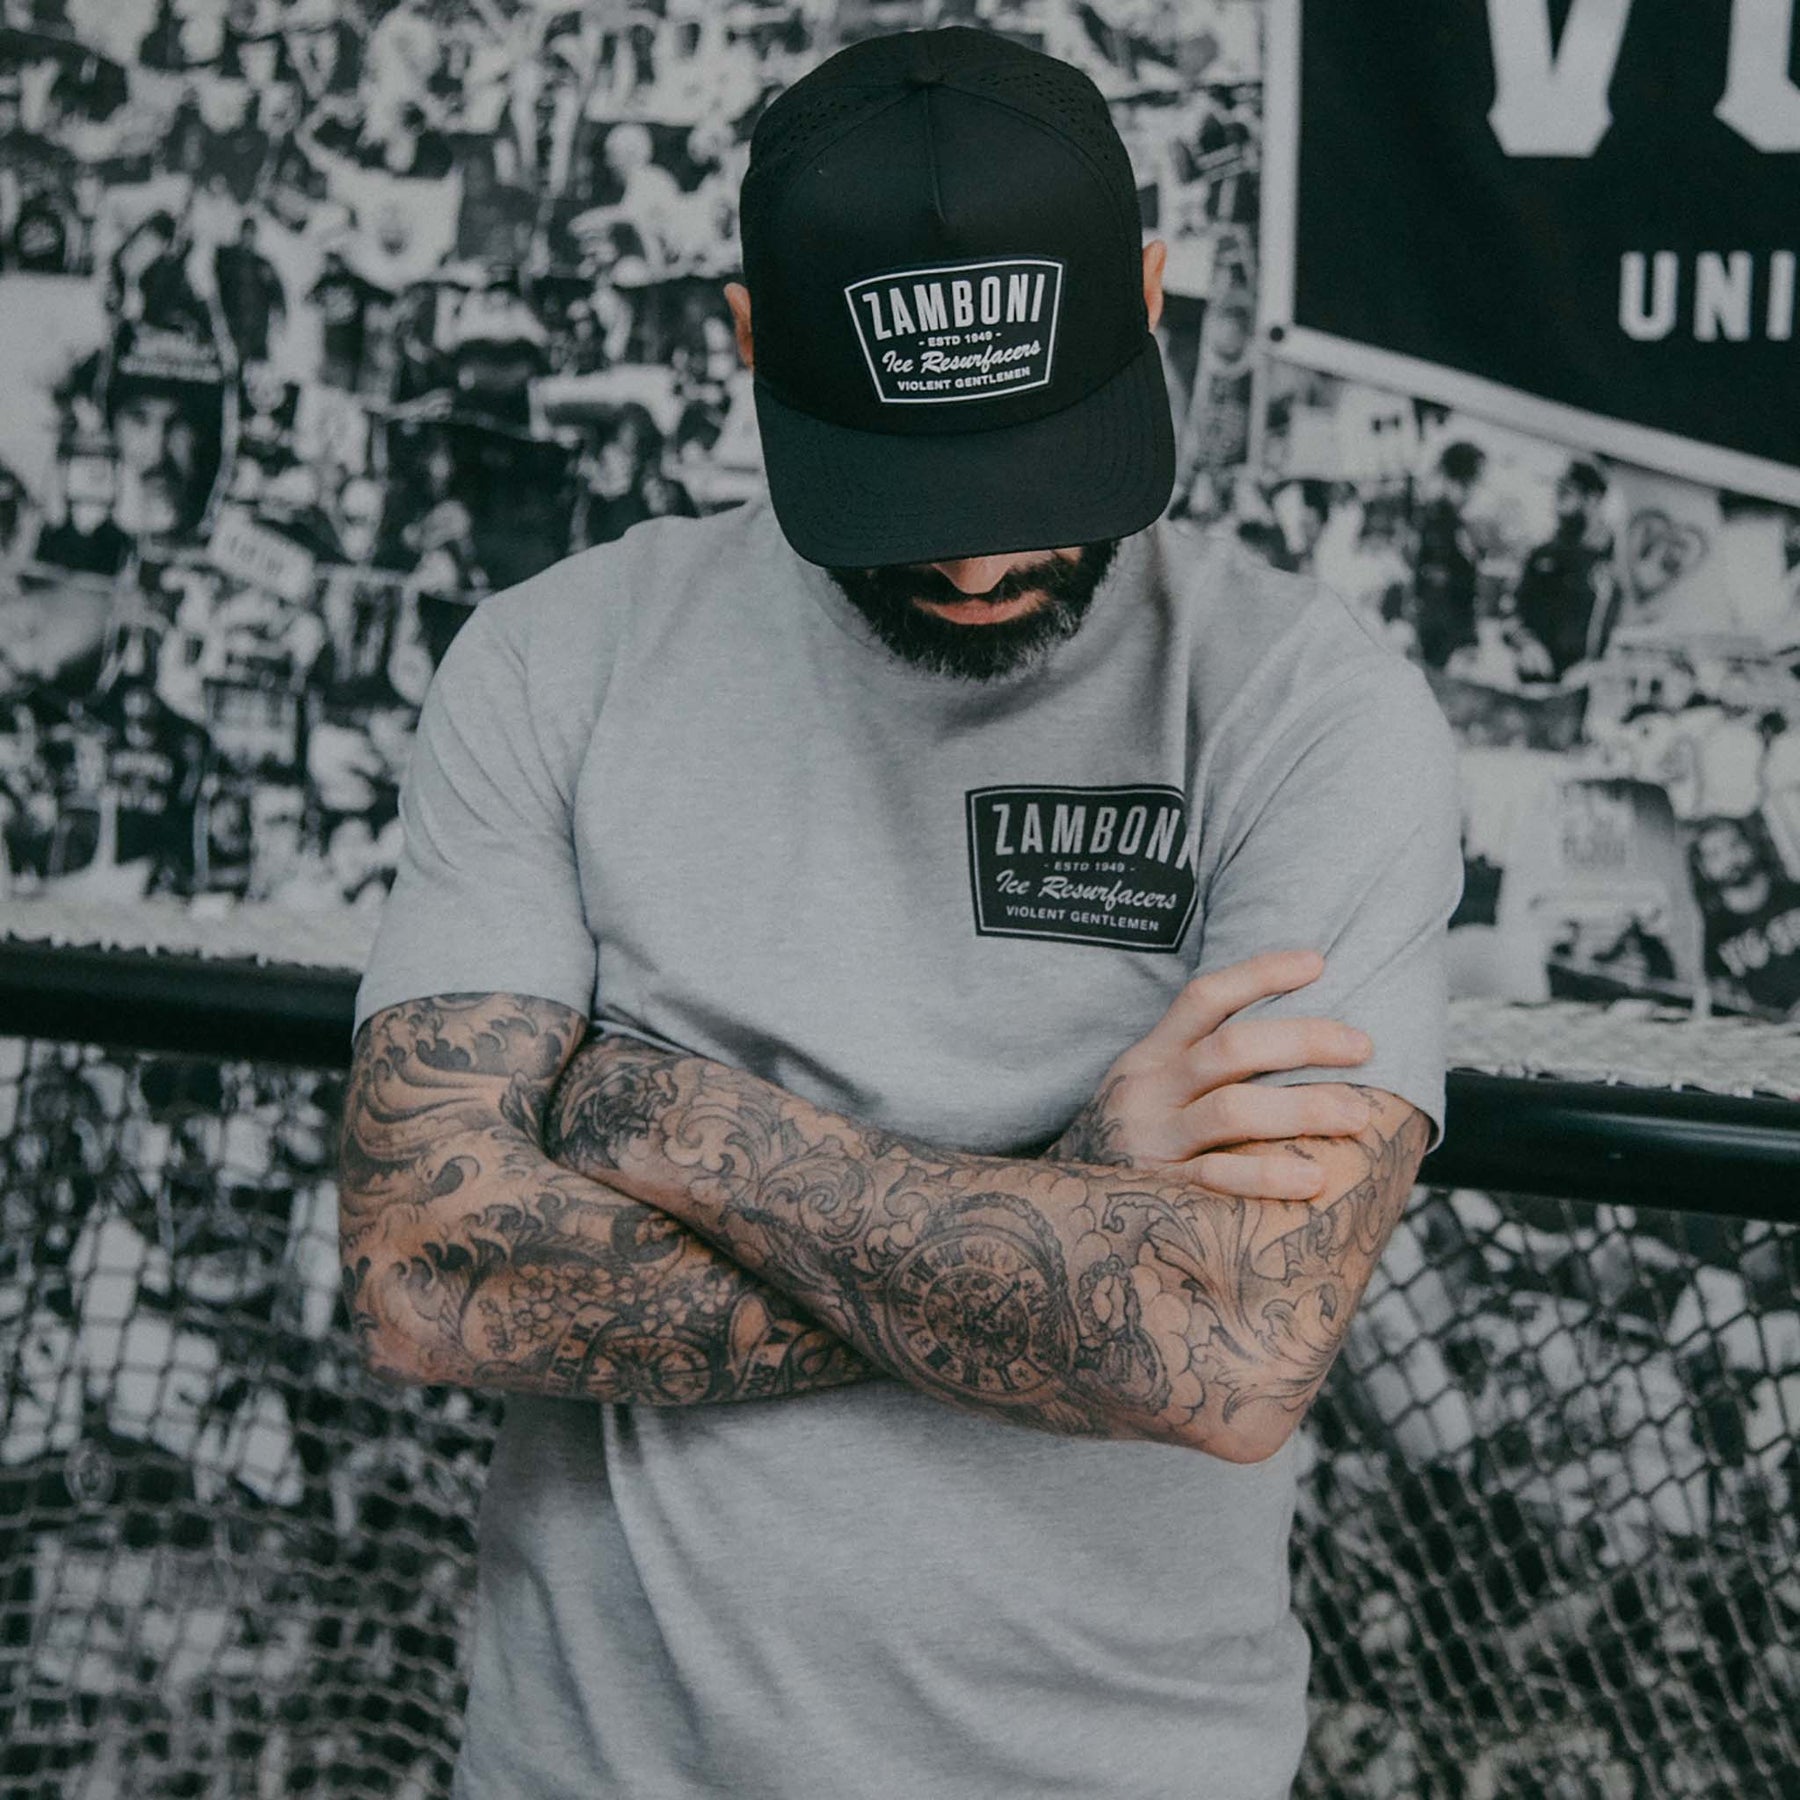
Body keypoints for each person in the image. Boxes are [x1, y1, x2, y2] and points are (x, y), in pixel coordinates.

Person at [339, 28, 1462, 1800]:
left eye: (1033, 472)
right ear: (750, 339)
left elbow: (1228, 1350)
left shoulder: (1306, 713)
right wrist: (1074, 1209)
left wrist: (672, 1124)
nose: (980, 563)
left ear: (1148, 301)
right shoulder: (556, 660)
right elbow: (432, 1276)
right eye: (913, 491)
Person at [1512, 456, 1621, 681]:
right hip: (1536, 676)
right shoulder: (1542, 554)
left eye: (1566, 493)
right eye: (1558, 492)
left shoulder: (1614, 561)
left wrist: (1597, 667)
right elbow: (1512, 611)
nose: (1557, 504)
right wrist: (1526, 643)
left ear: (1592, 500)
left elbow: (1621, 631)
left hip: (1587, 682)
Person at [1412, 439, 1485, 669]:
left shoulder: (1456, 524)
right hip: (1439, 642)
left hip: (1449, 640)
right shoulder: (1436, 523)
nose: (1474, 492)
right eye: (1473, 483)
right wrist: (1464, 641)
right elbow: (1438, 589)